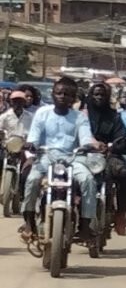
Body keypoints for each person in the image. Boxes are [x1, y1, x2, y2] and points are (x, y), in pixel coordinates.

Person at [22, 77, 100, 246]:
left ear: (74, 98)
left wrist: (88, 146)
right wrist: (31, 144)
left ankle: (85, 225)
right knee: (32, 180)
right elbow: (33, 137)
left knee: (88, 180)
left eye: (67, 94)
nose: (62, 96)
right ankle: (28, 222)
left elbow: (85, 137)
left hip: (73, 159)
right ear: (52, 94)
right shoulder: (42, 113)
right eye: (59, 93)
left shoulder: (79, 117)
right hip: (46, 157)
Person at [87, 83, 126, 235]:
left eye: (102, 95)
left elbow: (122, 136)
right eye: (96, 94)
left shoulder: (114, 116)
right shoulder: (81, 115)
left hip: (109, 156)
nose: (99, 97)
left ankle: (120, 214)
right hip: (84, 155)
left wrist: (118, 144)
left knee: (124, 173)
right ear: (90, 96)